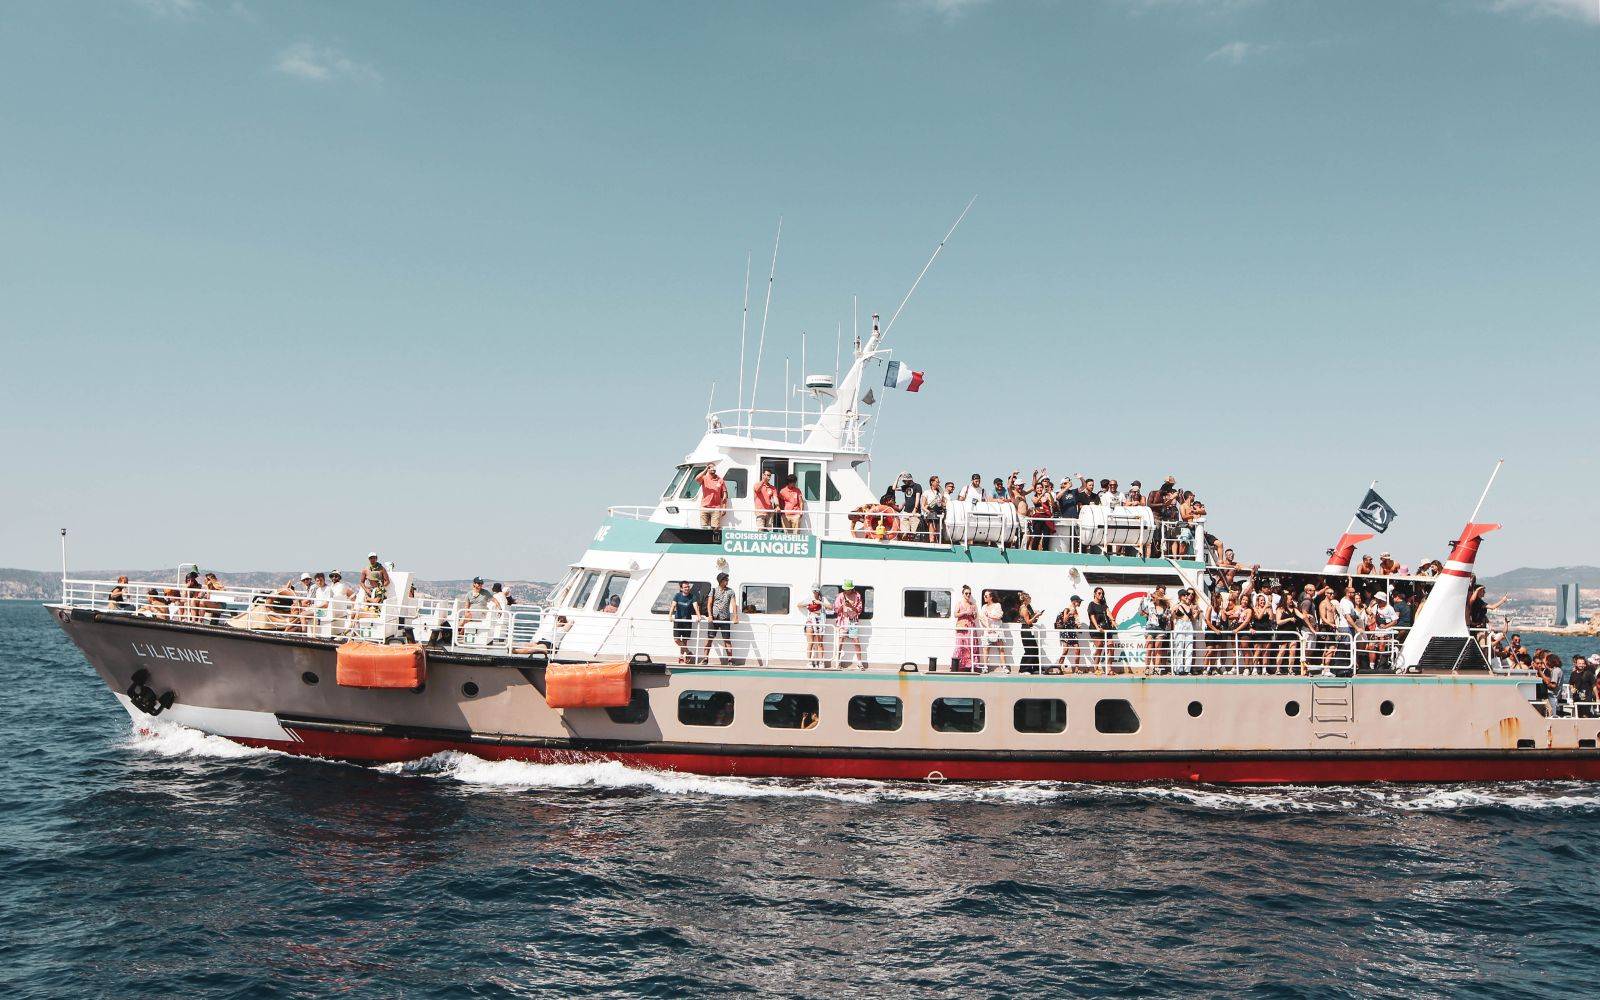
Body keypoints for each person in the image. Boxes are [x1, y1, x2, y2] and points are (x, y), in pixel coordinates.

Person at [702, 571, 738, 665]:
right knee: (709, 639)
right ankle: (705, 659)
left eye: (727, 579)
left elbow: (734, 604)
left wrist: (735, 616)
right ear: (721, 580)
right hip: (714, 618)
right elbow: (709, 604)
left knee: (727, 640)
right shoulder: (713, 590)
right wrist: (710, 616)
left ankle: (730, 660)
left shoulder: (730, 591)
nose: (727, 581)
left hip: (725, 619)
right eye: (726, 579)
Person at [833, 580, 866, 670]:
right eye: (845, 589)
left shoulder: (857, 596)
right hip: (843, 621)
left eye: (848, 589)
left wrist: (851, 606)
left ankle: (859, 662)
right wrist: (842, 605)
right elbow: (836, 610)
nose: (847, 591)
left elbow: (859, 610)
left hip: (853, 621)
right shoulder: (840, 596)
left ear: (852, 588)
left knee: (856, 641)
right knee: (840, 641)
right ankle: (837, 661)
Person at [1171, 588, 1200, 675]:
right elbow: (1172, 618)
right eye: (1184, 595)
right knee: (1179, 647)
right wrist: (1173, 612)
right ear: (1180, 596)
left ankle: (1187, 669)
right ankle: (1178, 669)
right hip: (1180, 625)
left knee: (1189, 647)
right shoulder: (1176, 606)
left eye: (1187, 595)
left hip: (1189, 625)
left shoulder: (1189, 606)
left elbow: (1192, 619)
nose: (1187, 596)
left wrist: (1197, 613)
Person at [669, 581, 699, 664]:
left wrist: (698, 616)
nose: (687, 588)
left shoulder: (692, 596)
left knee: (685, 641)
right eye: (685, 587)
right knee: (676, 640)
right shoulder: (677, 596)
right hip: (678, 621)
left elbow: (695, 606)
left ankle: (682, 657)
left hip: (687, 621)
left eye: (688, 587)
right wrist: (670, 615)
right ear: (681, 588)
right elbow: (673, 605)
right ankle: (689, 653)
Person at [1055, 595, 1086, 673]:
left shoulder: (1075, 610)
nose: (1080, 603)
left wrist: (1078, 627)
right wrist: (1069, 613)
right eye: (1079, 601)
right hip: (1065, 631)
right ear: (1074, 601)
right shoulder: (1067, 609)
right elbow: (1064, 620)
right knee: (1065, 650)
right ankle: (1058, 667)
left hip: (1072, 632)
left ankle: (1077, 669)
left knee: (1077, 650)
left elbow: (1075, 621)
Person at [980, 589, 1007, 673]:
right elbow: (982, 618)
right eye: (984, 596)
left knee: (1001, 648)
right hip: (988, 630)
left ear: (991, 597)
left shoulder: (997, 605)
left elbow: (999, 616)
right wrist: (988, 627)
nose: (984, 597)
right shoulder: (984, 607)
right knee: (986, 648)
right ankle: (985, 667)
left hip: (997, 629)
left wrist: (990, 616)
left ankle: (1004, 667)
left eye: (986, 596)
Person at [1086, 587, 1113, 673]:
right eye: (1099, 593)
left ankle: (1109, 669)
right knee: (1100, 645)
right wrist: (1097, 627)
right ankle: (1096, 667)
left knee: (1111, 646)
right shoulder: (1091, 604)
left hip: (1106, 629)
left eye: (1102, 593)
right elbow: (1092, 616)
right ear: (1095, 594)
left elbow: (1108, 612)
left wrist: (1113, 620)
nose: (1101, 595)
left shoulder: (1104, 604)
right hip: (1096, 629)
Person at [952, 584, 978, 672]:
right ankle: (959, 665)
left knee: (970, 646)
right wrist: (965, 612)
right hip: (961, 627)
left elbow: (975, 617)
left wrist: (974, 614)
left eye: (969, 593)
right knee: (960, 646)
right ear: (963, 594)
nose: (968, 595)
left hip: (970, 627)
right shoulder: (959, 603)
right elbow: (955, 614)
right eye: (966, 593)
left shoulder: (972, 605)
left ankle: (969, 666)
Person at [696, 465, 729, 530]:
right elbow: (697, 478)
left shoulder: (720, 480)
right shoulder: (704, 478)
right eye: (710, 467)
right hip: (704, 507)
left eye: (714, 467)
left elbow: (725, 495)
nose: (712, 468)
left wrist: (724, 507)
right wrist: (706, 469)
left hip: (716, 508)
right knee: (704, 528)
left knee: (715, 529)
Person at [1017, 592, 1042, 673]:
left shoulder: (1028, 607)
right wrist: (1035, 616)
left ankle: (1035, 668)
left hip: (1029, 629)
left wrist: (1036, 616)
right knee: (1029, 650)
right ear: (1025, 600)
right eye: (1029, 599)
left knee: (1034, 649)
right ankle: (1023, 669)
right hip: (1026, 630)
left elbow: (1032, 620)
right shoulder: (1024, 609)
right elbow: (1028, 622)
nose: (1030, 600)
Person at [803, 587, 827, 669]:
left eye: (816, 590)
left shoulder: (823, 599)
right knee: (810, 642)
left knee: (820, 643)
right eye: (814, 590)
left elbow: (830, 607)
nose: (815, 592)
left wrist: (820, 602)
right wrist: (809, 603)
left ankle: (821, 662)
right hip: (810, 621)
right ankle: (809, 662)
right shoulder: (809, 598)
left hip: (820, 622)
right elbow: (799, 605)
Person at [920, 475, 945, 542]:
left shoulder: (939, 493)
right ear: (932, 482)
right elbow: (922, 506)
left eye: (939, 482)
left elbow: (943, 504)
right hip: (930, 512)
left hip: (938, 512)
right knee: (931, 524)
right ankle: (932, 540)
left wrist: (942, 503)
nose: (938, 483)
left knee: (938, 528)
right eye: (937, 481)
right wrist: (928, 511)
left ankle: (938, 540)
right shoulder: (926, 492)